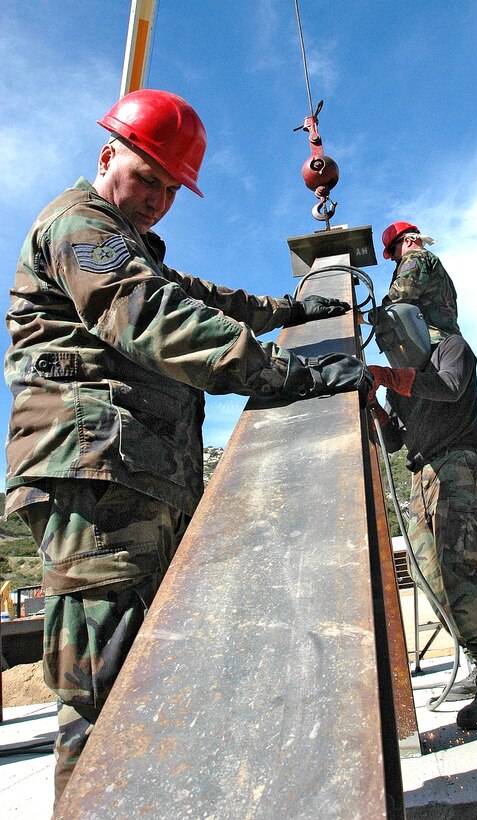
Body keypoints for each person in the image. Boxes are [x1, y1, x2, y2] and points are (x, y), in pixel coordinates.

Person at [4, 88, 372, 803]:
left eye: (172, 189)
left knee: (147, 682)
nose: (157, 199)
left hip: (133, 475)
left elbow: (193, 293)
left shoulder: (127, 246)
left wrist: (286, 309)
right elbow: (145, 312)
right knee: (108, 702)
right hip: (96, 480)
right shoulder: (82, 225)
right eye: (147, 178)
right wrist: (278, 369)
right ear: (108, 155)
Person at [368, 334, 477, 730]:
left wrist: (389, 377)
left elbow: (451, 386)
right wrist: (374, 403)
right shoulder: (399, 385)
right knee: (429, 579)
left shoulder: (449, 349)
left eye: (394, 336)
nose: (391, 347)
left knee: (459, 575)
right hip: (423, 478)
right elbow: (392, 442)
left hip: (457, 466)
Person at [380, 221, 461, 344]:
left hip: (434, 341)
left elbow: (401, 294)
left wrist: (373, 315)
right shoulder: (429, 261)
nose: (392, 257)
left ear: (407, 241)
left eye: (392, 250)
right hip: (444, 341)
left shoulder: (415, 256)